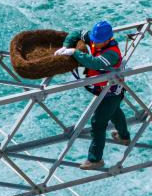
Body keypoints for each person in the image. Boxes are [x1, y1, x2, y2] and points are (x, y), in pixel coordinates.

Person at [55, 20, 131, 170]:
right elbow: (77, 33)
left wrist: (75, 52)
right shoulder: (97, 39)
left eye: (98, 41)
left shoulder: (112, 54)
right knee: (115, 112)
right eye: (93, 40)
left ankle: (95, 160)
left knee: (98, 124)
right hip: (108, 91)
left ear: (108, 40)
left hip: (110, 93)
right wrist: (66, 45)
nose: (94, 43)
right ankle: (124, 137)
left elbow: (94, 63)